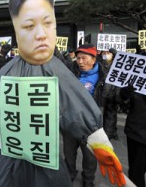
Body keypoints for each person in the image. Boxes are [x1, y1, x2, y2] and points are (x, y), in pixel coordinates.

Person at [0, 0, 126, 187]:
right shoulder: (10, 67)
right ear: (17, 31)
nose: (41, 35)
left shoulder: (56, 69)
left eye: (48, 24)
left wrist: (99, 143)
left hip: (43, 156)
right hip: (11, 155)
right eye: (29, 26)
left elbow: (76, 105)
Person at [57, 44, 108, 187]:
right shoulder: (71, 71)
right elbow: (57, 60)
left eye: (84, 58)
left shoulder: (104, 76)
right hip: (70, 122)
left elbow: (112, 100)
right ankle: (70, 174)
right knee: (69, 154)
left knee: (90, 157)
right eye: (78, 58)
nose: (80, 61)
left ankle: (88, 180)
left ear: (93, 59)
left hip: (91, 126)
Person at [119, 51, 146, 187]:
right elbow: (118, 102)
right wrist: (124, 94)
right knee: (136, 171)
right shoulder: (130, 82)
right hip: (136, 133)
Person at [100, 49, 120, 140]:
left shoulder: (117, 66)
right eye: (104, 53)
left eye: (108, 53)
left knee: (110, 118)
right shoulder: (99, 65)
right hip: (100, 97)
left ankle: (108, 135)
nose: (105, 55)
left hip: (112, 97)